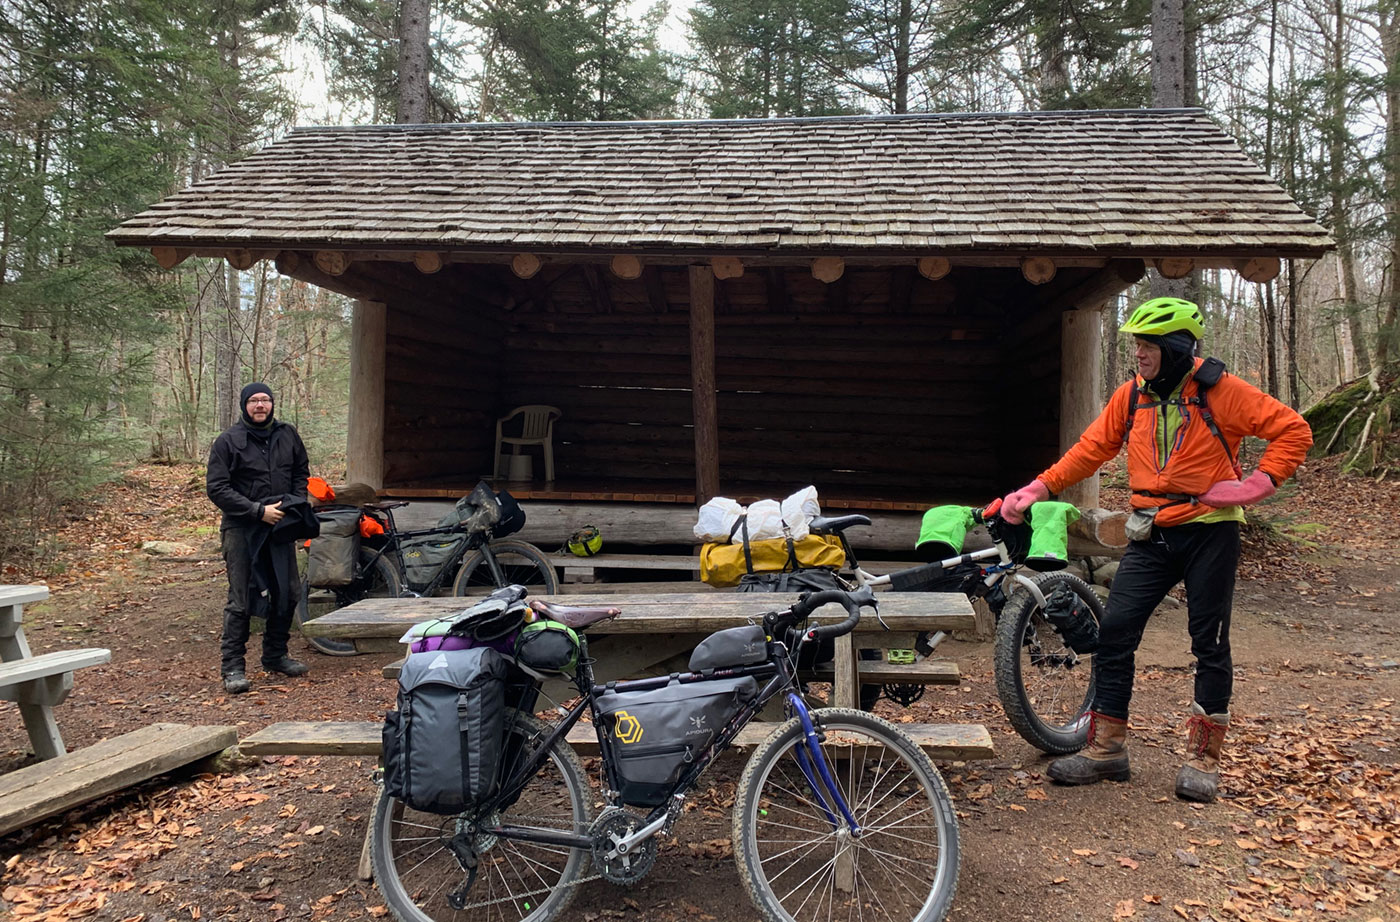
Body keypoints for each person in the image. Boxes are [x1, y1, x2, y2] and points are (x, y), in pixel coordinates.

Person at [1000, 297, 1311, 802]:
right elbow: (1091, 448)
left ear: (1176, 348)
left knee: (1208, 641)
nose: (1139, 355)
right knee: (1115, 632)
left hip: (1210, 529)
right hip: (1151, 531)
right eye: (1137, 346)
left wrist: (1253, 486)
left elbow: (1292, 431)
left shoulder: (1221, 391)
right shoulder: (1132, 396)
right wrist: (1039, 487)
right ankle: (1107, 748)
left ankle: (1203, 758)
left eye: (1148, 346)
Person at [206, 382, 313, 694]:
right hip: (242, 528)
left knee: (287, 591)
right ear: (244, 405)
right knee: (241, 598)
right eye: (253, 401)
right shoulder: (228, 441)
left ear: (272, 404)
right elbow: (217, 487)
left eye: (265, 400)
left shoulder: (287, 434)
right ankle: (233, 667)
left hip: (280, 524)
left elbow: (300, 473)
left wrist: (292, 504)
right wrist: (256, 510)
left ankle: (276, 655)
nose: (260, 405)